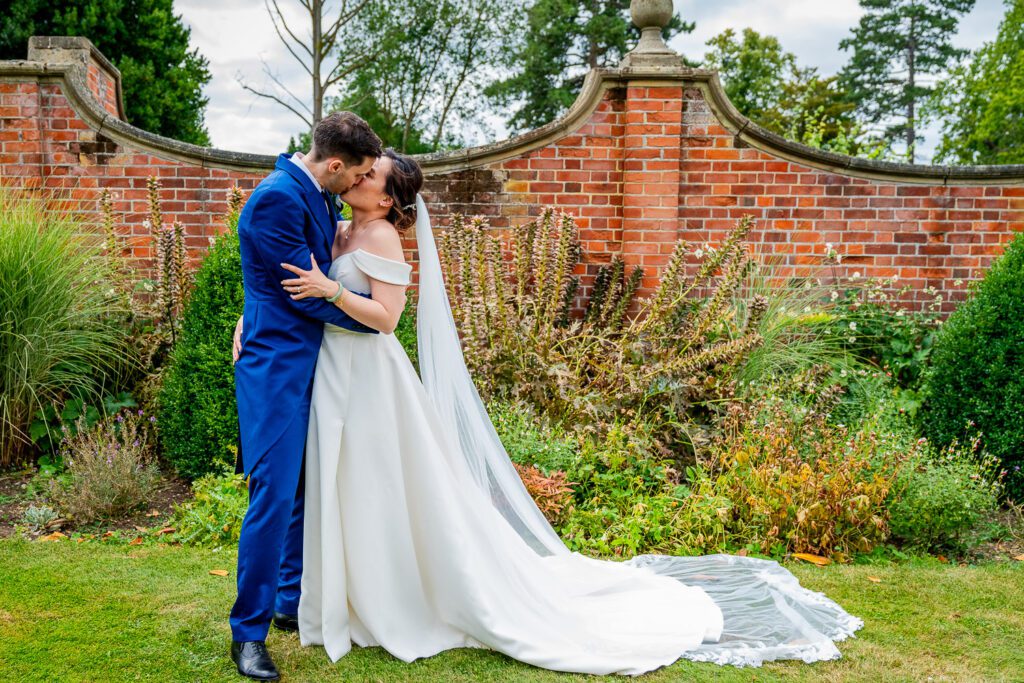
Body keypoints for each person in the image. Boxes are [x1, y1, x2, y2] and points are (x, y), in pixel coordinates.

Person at [233, 146, 865, 679]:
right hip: (329, 372)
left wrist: (334, 290)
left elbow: (386, 320)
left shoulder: (380, 237)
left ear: (388, 200)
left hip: (368, 376)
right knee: (336, 487)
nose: (362, 179)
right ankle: (323, 598)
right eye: (362, 170)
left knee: (381, 487)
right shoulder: (331, 217)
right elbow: (282, 276)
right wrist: (252, 316)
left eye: (373, 177)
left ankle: (391, 596)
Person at [229, 112, 386, 681]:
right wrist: (377, 323)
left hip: (314, 361)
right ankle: (247, 634)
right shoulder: (278, 198)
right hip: (275, 367)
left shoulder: (316, 193)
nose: (359, 187)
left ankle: (287, 600)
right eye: (360, 174)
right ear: (337, 165)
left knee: (300, 487)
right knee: (273, 494)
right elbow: (301, 292)